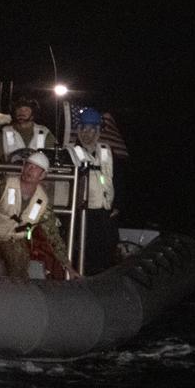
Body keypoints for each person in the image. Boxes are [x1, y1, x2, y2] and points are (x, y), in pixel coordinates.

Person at [0, 151, 70, 281]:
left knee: (20, 263)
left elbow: (53, 235)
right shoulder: (4, 185)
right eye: (28, 165)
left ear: (43, 175)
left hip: (13, 239)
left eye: (35, 168)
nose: (29, 170)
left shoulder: (42, 202)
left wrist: (67, 265)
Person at [68, 106, 118, 273]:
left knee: (108, 250)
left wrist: (116, 205)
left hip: (105, 211)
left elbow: (116, 178)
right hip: (83, 213)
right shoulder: (70, 152)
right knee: (84, 254)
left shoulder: (106, 150)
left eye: (91, 129)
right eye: (84, 128)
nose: (87, 133)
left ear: (97, 131)